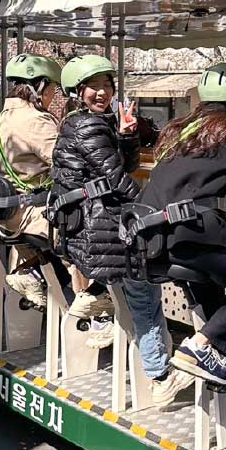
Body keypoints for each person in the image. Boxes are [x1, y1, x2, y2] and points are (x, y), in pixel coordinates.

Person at [137, 62, 226, 390]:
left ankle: (217, 352)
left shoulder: (180, 128)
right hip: (190, 233)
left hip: (151, 238)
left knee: (213, 281)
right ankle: (199, 347)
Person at [50, 55, 140, 341]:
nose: (102, 92)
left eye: (107, 85)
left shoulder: (84, 122)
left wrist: (126, 136)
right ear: (77, 91)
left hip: (84, 221)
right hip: (97, 224)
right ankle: (109, 316)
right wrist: (152, 205)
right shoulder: (87, 126)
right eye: (93, 86)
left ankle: (99, 302)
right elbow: (117, 179)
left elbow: (121, 168)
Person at [0, 54, 63, 310]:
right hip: (36, 213)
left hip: (12, 212)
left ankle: (26, 272)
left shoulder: (3, 117)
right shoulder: (35, 120)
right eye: (53, 88)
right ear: (39, 86)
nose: (53, 95)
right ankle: (96, 307)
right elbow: (65, 162)